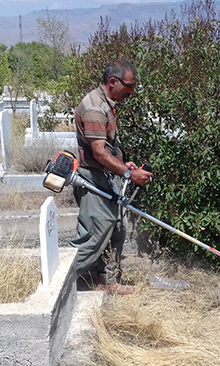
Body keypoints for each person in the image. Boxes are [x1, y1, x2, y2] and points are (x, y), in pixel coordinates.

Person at [70, 59, 152, 295]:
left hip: (106, 176)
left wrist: (123, 163)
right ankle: (59, 284)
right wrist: (129, 173)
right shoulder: (95, 108)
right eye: (129, 87)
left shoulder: (106, 103)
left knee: (116, 229)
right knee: (93, 237)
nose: (131, 93)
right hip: (94, 180)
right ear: (113, 82)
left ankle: (107, 282)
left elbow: (107, 148)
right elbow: (98, 152)